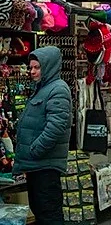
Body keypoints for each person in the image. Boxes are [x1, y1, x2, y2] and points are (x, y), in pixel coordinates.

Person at [14, 46, 72, 225]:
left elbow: (56, 126)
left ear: (48, 67)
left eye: (36, 67)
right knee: (41, 211)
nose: (32, 71)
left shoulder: (58, 89)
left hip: (45, 166)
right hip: (37, 166)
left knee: (49, 214)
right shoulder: (42, 89)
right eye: (30, 67)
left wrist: (35, 150)